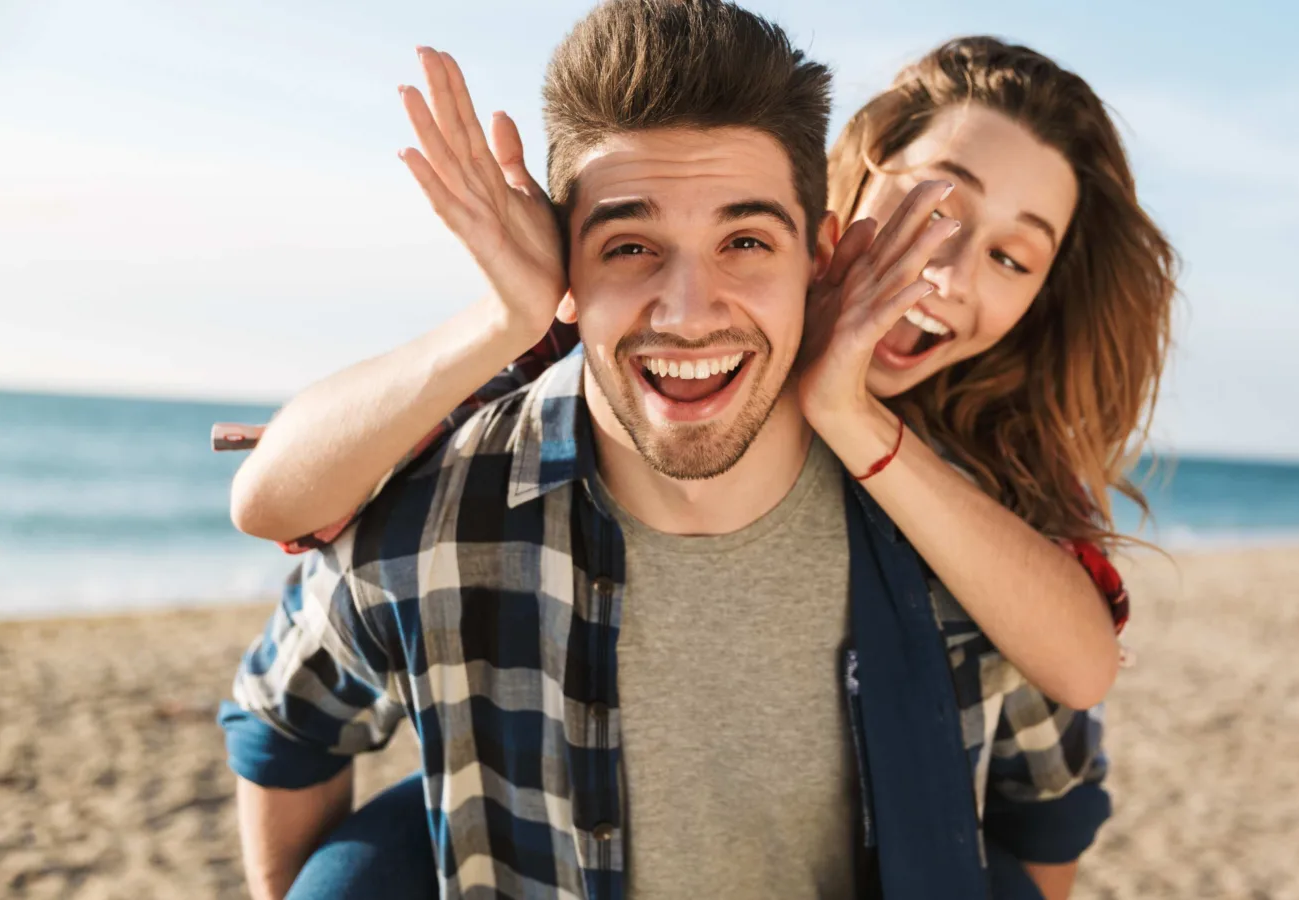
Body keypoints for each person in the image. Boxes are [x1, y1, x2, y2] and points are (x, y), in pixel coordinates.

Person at [217, 2, 1176, 898]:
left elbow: (1055, 783)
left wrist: (850, 415)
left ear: (814, 246)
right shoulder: (471, 472)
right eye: (632, 247)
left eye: (1013, 257)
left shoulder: (977, 514)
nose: (948, 273)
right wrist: (504, 316)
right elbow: (281, 621)